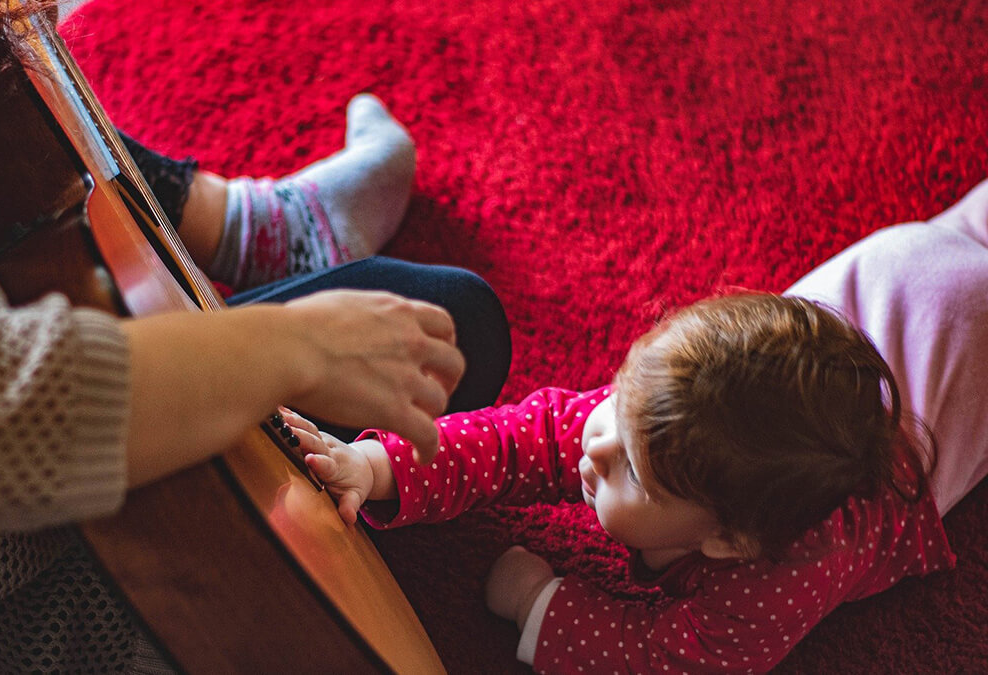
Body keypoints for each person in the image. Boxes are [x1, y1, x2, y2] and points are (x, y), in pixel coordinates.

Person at [0, 0, 511, 671]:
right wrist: (299, 347)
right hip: (1, 610)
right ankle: (268, 227)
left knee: (433, 323)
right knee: (430, 333)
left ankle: (257, 225)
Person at [285, 179, 988, 673]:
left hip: (962, 358)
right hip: (890, 281)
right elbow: (513, 440)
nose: (592, 444)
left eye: (631, 472)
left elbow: (666, 660)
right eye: (619, 395)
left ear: (726, 539)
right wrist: (376, 466)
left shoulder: (777, 575)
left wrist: (538, 601)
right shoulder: (652, 423)